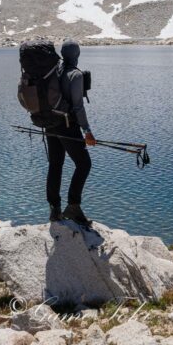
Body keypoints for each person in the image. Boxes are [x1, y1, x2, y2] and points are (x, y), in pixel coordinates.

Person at [46, 39, 95, 227]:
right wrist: (87, 131)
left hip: (50, 124)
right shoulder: (75, 75)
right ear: (77, 55)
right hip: (67, 125)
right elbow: (78, 107)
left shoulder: (53, 71)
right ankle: (73, 207)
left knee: (55, 165)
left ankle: (54, 210)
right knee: (84, 164)